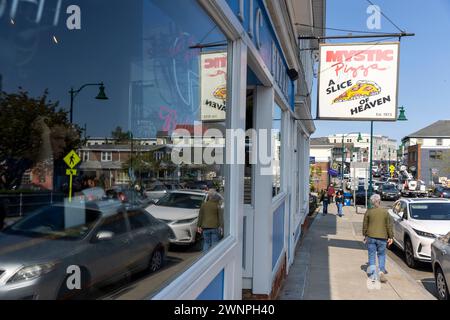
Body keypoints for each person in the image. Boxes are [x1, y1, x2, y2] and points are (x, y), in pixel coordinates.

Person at [363, 194, 394, 283]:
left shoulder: (368, 212)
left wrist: (365, 235)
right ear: (379, 201)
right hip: (382, 237)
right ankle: (381, 271)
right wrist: (390, 236)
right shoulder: (385, 212)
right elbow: (389, 225)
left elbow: (365, 225)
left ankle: (373, 274)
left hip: (371, 236)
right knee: (381, 255)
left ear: (372, 202)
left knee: (371, 255)